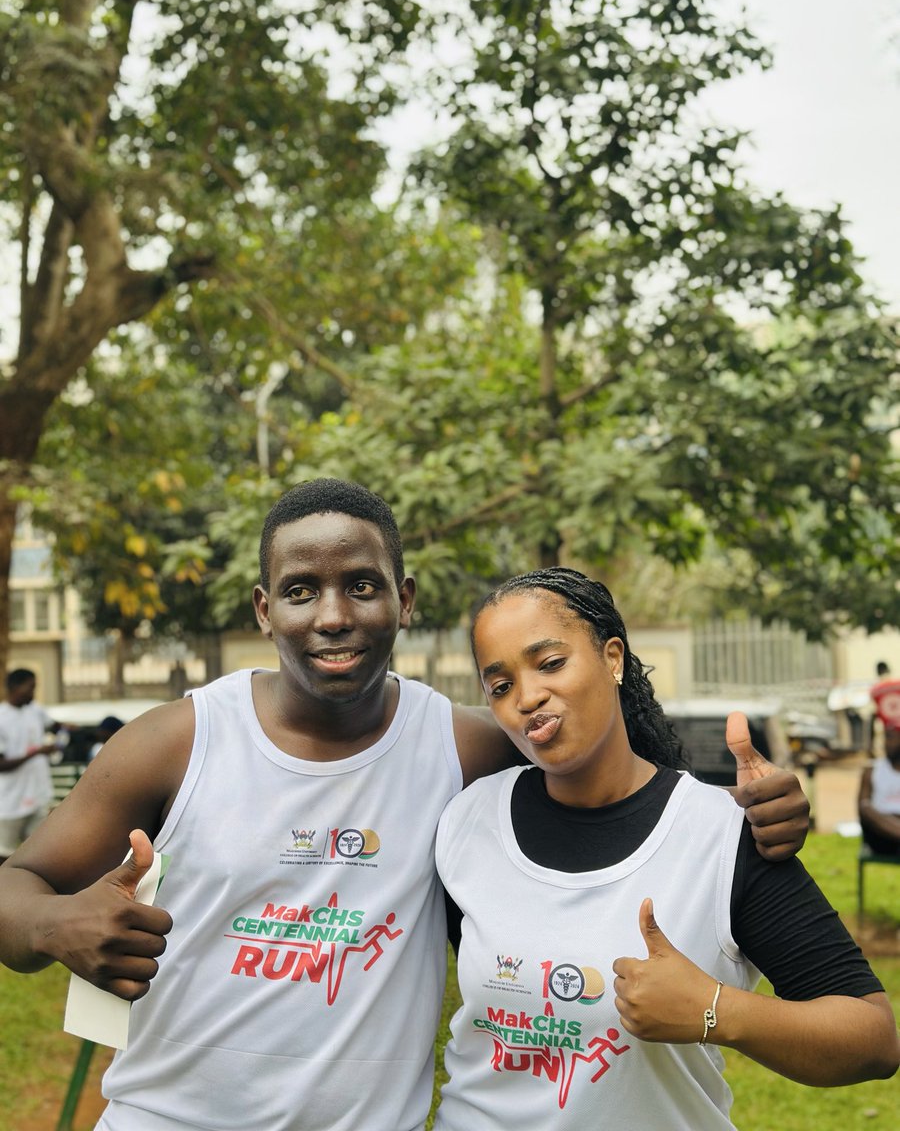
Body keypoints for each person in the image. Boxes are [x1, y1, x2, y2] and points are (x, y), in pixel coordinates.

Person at [0, 480, 809, 1131]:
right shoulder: (176, 742)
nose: (333, 615)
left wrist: (757, 812)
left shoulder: (463, 749)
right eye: (300, 591)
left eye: (361, 585)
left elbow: (623, 791)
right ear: (263, 609)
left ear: (405, 598)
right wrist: (53, 925)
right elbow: (17, 881)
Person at [434, 568, 898, 1129]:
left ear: (613, 658)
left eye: (550, 663)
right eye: (501, 686)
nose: (528, 697)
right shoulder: (467, 822)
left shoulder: (720, 836)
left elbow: (873, 1039)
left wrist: (714, 1009)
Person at [0, 668, 63, 864]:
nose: (33, 693)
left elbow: (55, 726)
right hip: (9, 801)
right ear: (15, 687)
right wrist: (36, 752)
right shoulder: (2, 717)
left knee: (39, 852)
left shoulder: (34, 710)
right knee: (5, 852)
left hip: (37, 795)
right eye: (30, 687)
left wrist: (66, 731)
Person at [858, 715, 900, 857]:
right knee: (867, 807)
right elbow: (863, 809)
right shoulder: (872, 770)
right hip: (881, 837)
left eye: (891, 737)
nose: (886, 743)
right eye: (885, 737)